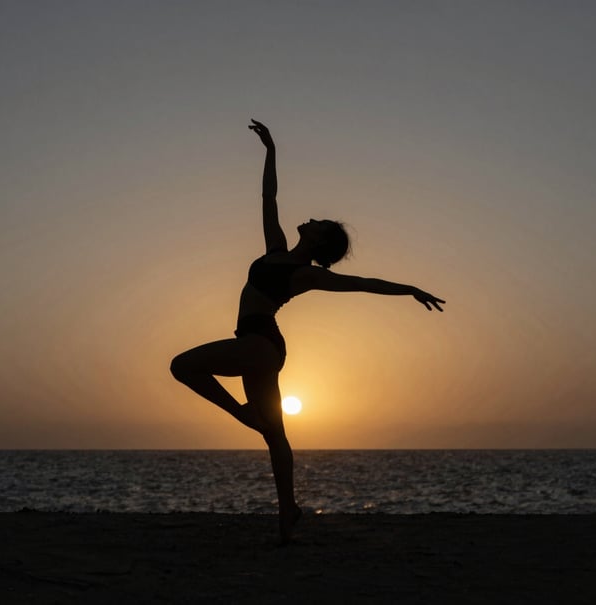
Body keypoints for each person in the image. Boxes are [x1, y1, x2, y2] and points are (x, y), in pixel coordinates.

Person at [170, 120, 445, 544]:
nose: (311, 218)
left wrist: (408, 289)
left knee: (182, 366)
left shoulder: (306, 274)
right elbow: (268, 198)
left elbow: (364, 284)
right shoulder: (277, 250)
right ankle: (288, 513)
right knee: (276, 434)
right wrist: (270, 150)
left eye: (318, 223)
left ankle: (240, 414)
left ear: (318, 243)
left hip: (261, 342)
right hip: (258, 343)